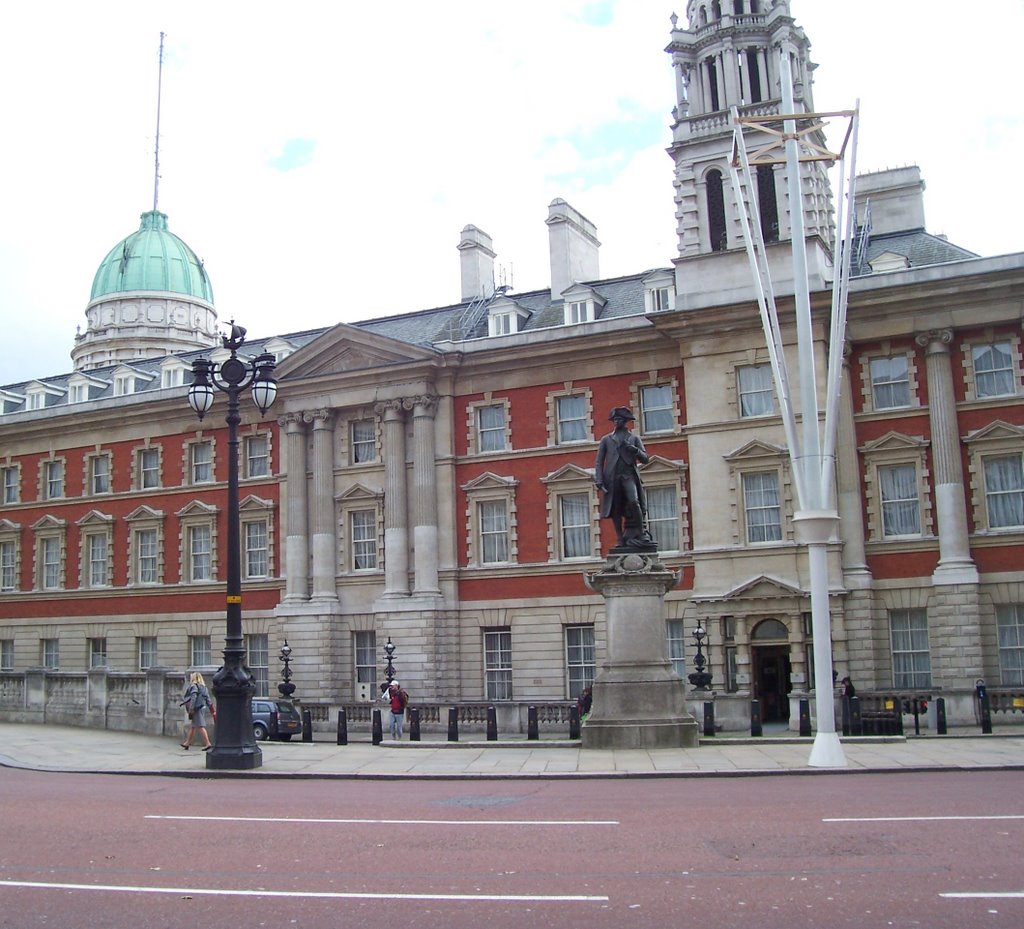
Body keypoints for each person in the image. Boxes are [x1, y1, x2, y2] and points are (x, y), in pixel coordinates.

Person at [594, 406, 656, 552]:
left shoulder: (634, 438)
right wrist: (599, 479)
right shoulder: (606, 440)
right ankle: (620, 538)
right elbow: (599, 461)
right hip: (612, 477)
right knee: (615, 509)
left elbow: (645, 459)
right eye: (615, 419)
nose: (616, 421)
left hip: (628, 475)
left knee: (634, 502)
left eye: (619, 419)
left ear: (626, 421)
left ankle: (641, 534)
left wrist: (634, 450)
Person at [180, 671, 213, 751]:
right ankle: (187, 743)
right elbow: (208, 698)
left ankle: (208, 743)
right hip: (202, 707)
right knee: (193, 726)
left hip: (196, 708)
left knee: (200, 726)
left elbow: (193, 697)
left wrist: (191, 708)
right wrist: (212, 709)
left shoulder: (193, 686)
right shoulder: (204, 687)